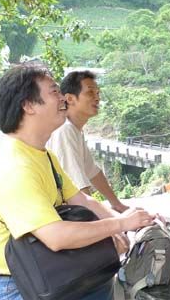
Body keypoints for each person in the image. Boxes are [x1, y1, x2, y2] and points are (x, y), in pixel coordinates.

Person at [0, 65, 157, 300]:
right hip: (7, 293)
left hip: (39, 274)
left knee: (100, 276)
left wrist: (121, 225)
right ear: (29, 105)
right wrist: (120, 223)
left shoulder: (42, 154)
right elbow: (56, 237)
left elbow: (82, 199)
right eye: (54, 92)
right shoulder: (13, 167)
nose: (63, 99)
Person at [47, 71, 128, 213]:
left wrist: (117, 205)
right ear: (70, 98)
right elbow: (78, 190)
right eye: (90, 93)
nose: (97, 98)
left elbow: (93, 172)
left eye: (98, 93)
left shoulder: (73, 129)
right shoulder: (65, 130)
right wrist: (111, 220)